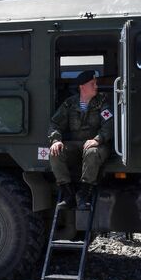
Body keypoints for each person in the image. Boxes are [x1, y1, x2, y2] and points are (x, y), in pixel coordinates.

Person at [48, 70, 113, 209]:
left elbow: (109, 125)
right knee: (55, 153)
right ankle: (68, 194)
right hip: (75, 144)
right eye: (92, 84)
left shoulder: (102, 102)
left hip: (98, 144)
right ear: (82, 87)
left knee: (92, 152)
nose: (96, 86)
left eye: (95, 83)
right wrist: (56, 140)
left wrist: (98, 139)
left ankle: (84, 194)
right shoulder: (70, 104)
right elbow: (55, 123)